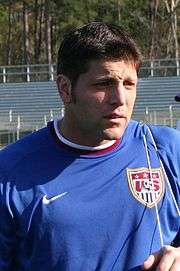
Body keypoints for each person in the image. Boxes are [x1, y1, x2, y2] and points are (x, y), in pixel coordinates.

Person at [0, 22, 179, 271]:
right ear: (65, 88)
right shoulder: (9, 172)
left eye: (129, 84)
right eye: (104, 84)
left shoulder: (168, 150)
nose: (120, 99)